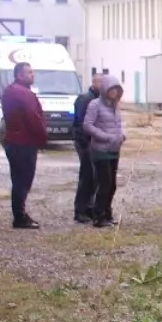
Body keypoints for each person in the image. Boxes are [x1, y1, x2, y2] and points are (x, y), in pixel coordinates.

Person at [1, 61, 48, 229]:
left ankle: (19, 214)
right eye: (29, 72)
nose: (32, 75)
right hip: (23, 142)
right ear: (19, 75)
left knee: (18, 179)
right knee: (23, 180)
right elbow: (33, 117)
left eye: (32, 72)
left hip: (13, 141)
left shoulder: (10, 91)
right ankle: (20, 217)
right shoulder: (23, 94)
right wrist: (43, 137)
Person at [83, 74, 127, 228]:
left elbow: (118, 124)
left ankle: (107, 213)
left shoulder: (115, 106)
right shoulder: (95, 105)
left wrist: (122, 135)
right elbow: (87, 125)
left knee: (112, 184)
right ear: (105, 89)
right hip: (100, 151)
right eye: (111, 89)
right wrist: (106, 137)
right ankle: (98, 216)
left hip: (114, 150)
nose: (114, 92)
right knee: (104, 183)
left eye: (117, 89)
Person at [72, 72, 102, 224]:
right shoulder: (84, 99)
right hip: (86, 144)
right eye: (101, 83)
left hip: (97, 145)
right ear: (94, 83)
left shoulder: (100, 100)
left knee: (95, 178)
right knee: (86, 176)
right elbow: (79, 124)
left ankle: (89, 206)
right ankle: (80, 210)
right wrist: (85, 145)